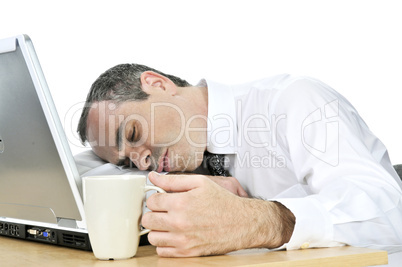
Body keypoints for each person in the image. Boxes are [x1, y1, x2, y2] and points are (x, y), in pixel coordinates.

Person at [77, 63, 402, 258]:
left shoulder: (292, 100)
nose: (143, 162)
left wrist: (258, 220)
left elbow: (390, 214)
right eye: (129, 163)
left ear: (157, 84)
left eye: (133, 134)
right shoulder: (191, 165)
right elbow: (81, 174)